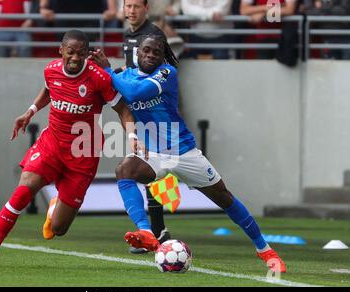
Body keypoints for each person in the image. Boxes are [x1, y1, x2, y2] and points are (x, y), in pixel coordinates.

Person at [90, 34, 287, 273]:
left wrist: (109, 71)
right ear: (138, 53)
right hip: (152, 153)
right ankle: (145, 231)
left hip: (182, 151)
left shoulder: (166, 74)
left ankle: (265, 250)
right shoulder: (125, 76)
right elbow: (116, 99)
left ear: (164, 56)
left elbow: (135, 94)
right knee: (124, 170)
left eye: (157, 52)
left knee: (225, 198)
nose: (151, 55)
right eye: (147, 50)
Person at [0, 30, 138, 268]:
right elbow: (49, 91)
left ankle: (54, 209)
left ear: (87, 54)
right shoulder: (50, 69)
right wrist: (30, 111)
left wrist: (132, 136)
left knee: (59, 229)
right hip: (52, 143)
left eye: (81, 54)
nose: (74, 58)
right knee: (24, 189)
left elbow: (123, 109)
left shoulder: (98, 78)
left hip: (84, 151)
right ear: (61, 50)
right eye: (70, 52)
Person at [117, 0, 180, 255]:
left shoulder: (153, 35)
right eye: (127, 6)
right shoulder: (129, 35)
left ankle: (155, 230)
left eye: (136, 6)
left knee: (151, 169)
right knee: (145, 170)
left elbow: (167, 71)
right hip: (139, 110)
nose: (131, 11)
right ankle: (157, 230)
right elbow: (135, 71)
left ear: (146, 8)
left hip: (155, 112)